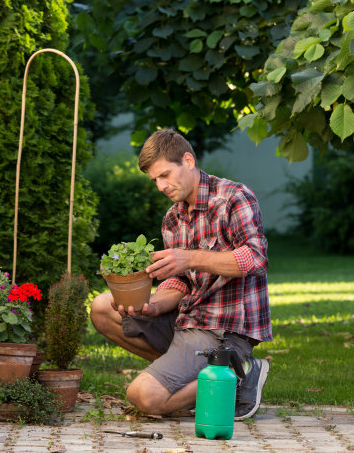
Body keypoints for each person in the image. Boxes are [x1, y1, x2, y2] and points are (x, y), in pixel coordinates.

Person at [90, 129, 272, 420]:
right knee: (101, 307)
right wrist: (154, 305)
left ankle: (239, 376)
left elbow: (255, 258)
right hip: (187, 321)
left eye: (164, 175)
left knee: (143, 396)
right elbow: (181, 281)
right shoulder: (173, 218)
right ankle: (201, 377)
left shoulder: (233, 198)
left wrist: (190, 257)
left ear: (188, 160)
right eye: (155, 181)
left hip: (222, 328)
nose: (161, 186)